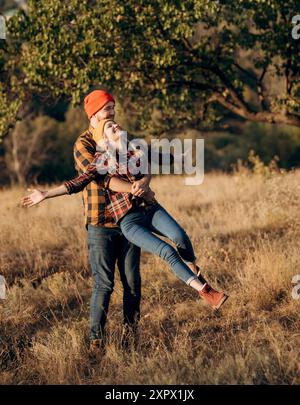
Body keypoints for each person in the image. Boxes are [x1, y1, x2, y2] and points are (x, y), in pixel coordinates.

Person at [22, 117, 229, 311]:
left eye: (115, 122)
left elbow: (155, 159)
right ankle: (206, 292)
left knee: (180, 236)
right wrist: (45, 194)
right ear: (103, 139)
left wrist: (171, 165)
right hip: (129, 221)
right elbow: (76, 183)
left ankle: (194, 270)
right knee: (166, 251)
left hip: (149, 208)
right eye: (109, 126)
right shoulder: (100, 163)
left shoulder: (135, 150)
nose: (115, 125)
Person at [23, 87, 148, 351]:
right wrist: (46, 193)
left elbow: (142, 163)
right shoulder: (84, 144)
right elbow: (101, 178)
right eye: (106, 110)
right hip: (100, 222)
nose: (112, 114)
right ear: (93, 117)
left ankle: (130, 335)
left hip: (129, 220)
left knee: (133, 283)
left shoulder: (121, 135)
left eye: (113, 108)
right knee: (104, 284)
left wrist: (145, 179)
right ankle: (96, 340)